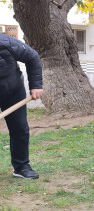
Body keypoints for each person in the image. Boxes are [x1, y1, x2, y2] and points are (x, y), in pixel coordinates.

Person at [0, 33, 43, 179]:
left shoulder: (6, 43)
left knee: (19, 128)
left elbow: (32, 57)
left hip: (12, 90)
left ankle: (21, 167)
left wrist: (36, 85)